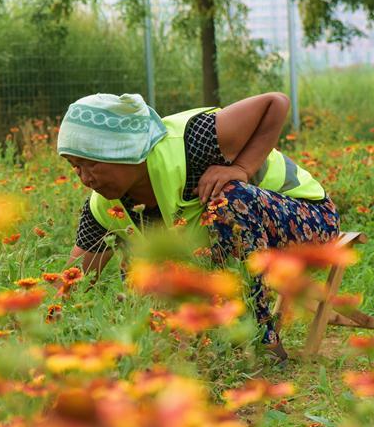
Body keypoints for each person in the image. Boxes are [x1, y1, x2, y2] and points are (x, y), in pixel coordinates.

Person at [57, 93, 339, 360]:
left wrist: (241, 168)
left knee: (230, 197)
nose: (84, 177)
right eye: (75, 166)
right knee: (140, 254)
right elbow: (75, 281)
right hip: (243, 247)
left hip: (309, 221)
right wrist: (55, 327)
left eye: (90, 164)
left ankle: (258, 338)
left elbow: (275, 102)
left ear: (123, 151)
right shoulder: (103, 207)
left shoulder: (196, 140)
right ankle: (165, 343)